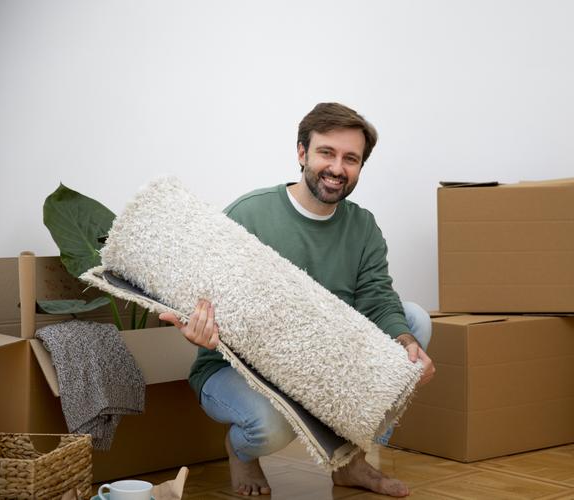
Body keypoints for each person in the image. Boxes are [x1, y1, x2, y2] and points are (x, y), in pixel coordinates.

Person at [160, 102, 435, 497]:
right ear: (302, 153)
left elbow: (377, 299)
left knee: (414, 320)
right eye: (327, 152)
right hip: (240, 367)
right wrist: (199, 327)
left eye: (351, 158)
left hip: (320, 366)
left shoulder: (362, 226)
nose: (338, 168)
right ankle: (241, 453)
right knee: (270, 427)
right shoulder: (249, 214)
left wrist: (407, 346)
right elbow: (198, 292)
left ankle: (350, 461)